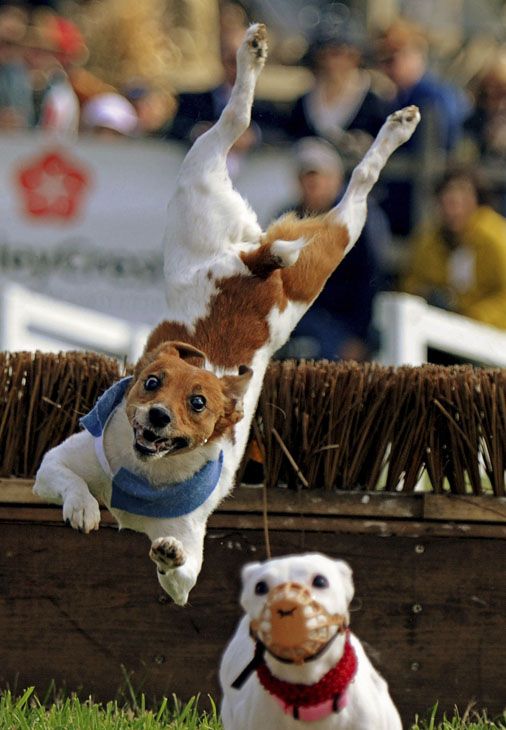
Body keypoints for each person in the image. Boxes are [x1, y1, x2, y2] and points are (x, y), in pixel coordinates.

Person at [277, 137, 389, 361]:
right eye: (306, 178)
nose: (312, 185)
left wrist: (359, 337)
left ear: (336, 179)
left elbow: (371, 279)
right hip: (295, 321)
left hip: (344, 324)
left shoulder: (360, 220)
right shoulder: (286, 219)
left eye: (319, 177)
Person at [375, 19, 470, 235]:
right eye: (383, 60)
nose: (386, 68)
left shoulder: (433, 96)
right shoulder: (400, 96)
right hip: (404, 194)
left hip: (427, 193)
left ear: (415, 54)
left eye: (392, 59)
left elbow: (444, 146)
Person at [403, 168, 506, 330]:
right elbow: (411, 286)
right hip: (439, 331)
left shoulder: (496, 238)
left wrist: (469, 317)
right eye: (447, 201)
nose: (453, 210)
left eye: (460, 201)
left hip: (491, 336)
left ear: (476, 201)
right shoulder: (428, 242)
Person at [287, 21, 387, 157]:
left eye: (337, 53)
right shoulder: (305, 101)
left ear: (355, 56)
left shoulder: (373, 101)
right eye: (323, 53)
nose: (330, 61)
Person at [0, 4, 33, 129]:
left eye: (12, 44)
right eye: (2, 41)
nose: (6, 49)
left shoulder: (19, 74)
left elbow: (27, 119)